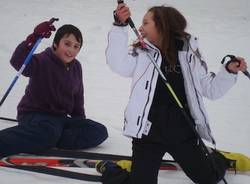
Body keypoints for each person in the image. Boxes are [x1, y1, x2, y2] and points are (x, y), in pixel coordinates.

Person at [96, 3, 248, 184]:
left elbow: (210, 89)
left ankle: (220, 158)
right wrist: (119, 26)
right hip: (148, 133)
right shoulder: (142, 53)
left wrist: (228, 72)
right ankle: (111, 167)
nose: (141, 27)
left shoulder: (189, 54)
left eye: (146, 23)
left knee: (208, 178)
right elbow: (117, 63)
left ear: (162, 26)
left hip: (182, 132)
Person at [0, 20, 108, 157]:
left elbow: (78, 97)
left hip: (60, 119)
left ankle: (48, 139)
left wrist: (79, 122)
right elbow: (17, 61)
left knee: (99, 131)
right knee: (49, 131)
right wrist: (33, 37)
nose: (71, 50)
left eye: (76, 46)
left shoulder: (76, 67)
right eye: (67, 44)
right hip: (36, 115)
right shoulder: (43, 60)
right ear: (56, 43)